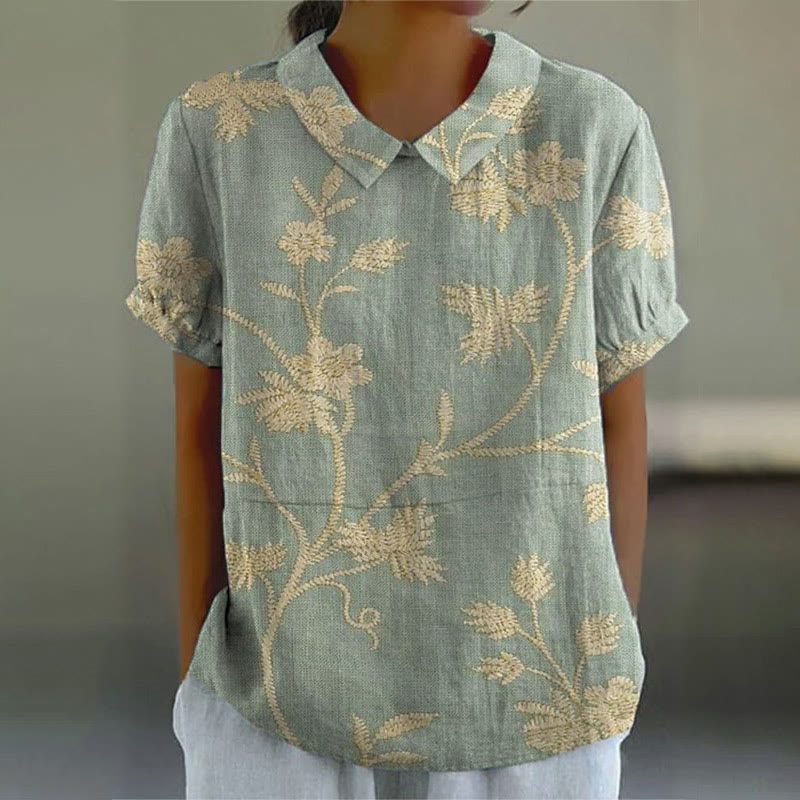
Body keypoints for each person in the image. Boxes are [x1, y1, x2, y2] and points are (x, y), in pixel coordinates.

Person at [124, 0, 689, 797]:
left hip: (539, 718)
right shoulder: (222, 130)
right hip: (274, 711)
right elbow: (200, 433)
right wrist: (204, 696)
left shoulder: (594, 128)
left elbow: (616, 426)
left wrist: (598, 671)